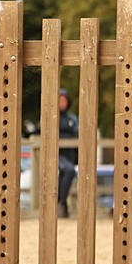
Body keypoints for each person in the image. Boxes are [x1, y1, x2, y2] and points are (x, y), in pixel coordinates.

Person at [57, 88, 79, 217]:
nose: (62, 103)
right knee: (69, 170)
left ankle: (61, 203)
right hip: (57, 153)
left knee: (66, 174)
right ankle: (61, 202)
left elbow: (77, 133)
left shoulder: (72, 118)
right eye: (60, 100)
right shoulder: (52, 116)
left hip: (69, 153)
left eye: (64, 100)